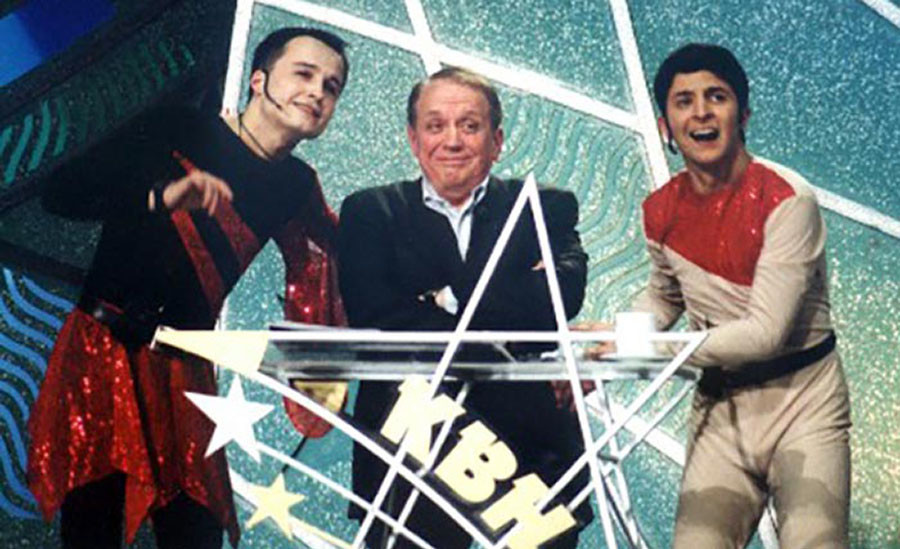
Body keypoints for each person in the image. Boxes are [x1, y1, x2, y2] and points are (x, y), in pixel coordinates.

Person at [26, 27, 349, 548]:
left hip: (185, 373)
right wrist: (159, 197)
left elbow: (330, 254)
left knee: (196, 534)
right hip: (103, 351)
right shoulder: (178, 127)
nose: (317, 92)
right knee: (92, 526)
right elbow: (62, 194)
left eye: (331, 87)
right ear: (259, 80)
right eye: (304, 74)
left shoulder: (296, 186)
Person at [338, 67, 592, 548]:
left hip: (529, 450)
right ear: (414, 139)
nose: (452, 140)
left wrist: (446, 297)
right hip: (412, 447)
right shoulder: (370, 212)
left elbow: (561, 297)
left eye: (469, 126)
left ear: (497, 141)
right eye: (435, 126)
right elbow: (377, 317)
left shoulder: (543, 206)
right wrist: (510, 303)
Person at [632, 43, 851, 547]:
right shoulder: (660, 210)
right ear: (665, 124)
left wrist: (646, 348)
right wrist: (616, 338)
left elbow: (765, 333)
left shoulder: (788, 199)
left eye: (717, 97)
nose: (701, 112)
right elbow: (664, 297)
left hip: (804, 403)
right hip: (721, 406)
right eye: (683, 101)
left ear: (743, 114)